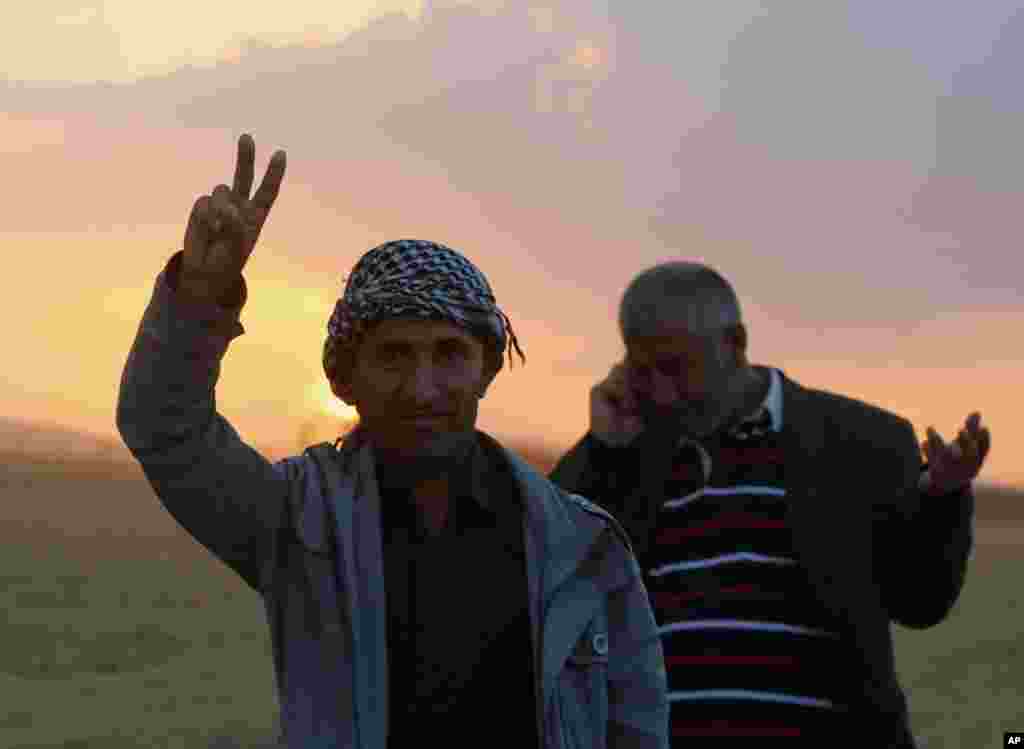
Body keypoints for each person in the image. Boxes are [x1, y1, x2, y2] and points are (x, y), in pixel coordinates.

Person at [116, 134, 668, 749]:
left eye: (450, 355)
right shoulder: (298, 521)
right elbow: (164, 425)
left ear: (488, 368)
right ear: (345, 378)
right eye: (394, 355)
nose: (423, 387)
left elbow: (636, 728)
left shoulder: (582, 545)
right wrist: (198, 294)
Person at [549, 261, 991, 747]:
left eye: (678, 368)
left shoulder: (863, 440)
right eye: (644, 370)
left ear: (735, 343)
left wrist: (941, 498)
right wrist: (602, 450)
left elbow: (920, 601)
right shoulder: (629, 452)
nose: (664, 391)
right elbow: (556, 579)